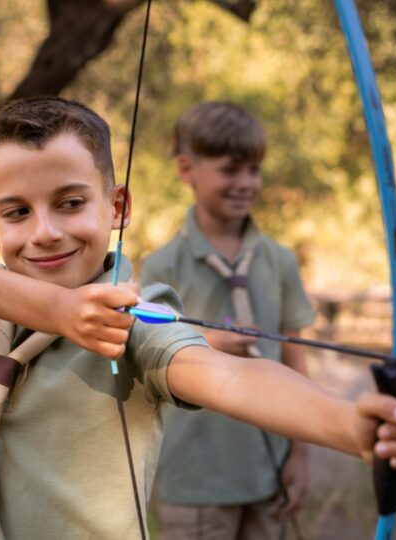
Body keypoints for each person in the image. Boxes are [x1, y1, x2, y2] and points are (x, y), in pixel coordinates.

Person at [0, 96, 396, 540]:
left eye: (71, 203)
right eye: (17, 212)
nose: (45, 231)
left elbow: (227, 376)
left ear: (116, 207)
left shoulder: (134, 320)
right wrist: (59, 310)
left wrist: (352, 427)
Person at [141, 101, 313, 539]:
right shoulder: (164, 266)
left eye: (254, 170)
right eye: (230, 170)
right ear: (187, 169)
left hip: (269, 472)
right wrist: (206, 343)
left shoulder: (279, 260)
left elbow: (296, 358)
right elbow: (147, 354)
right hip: (196, 479)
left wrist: (299, 454)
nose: (246, 183)